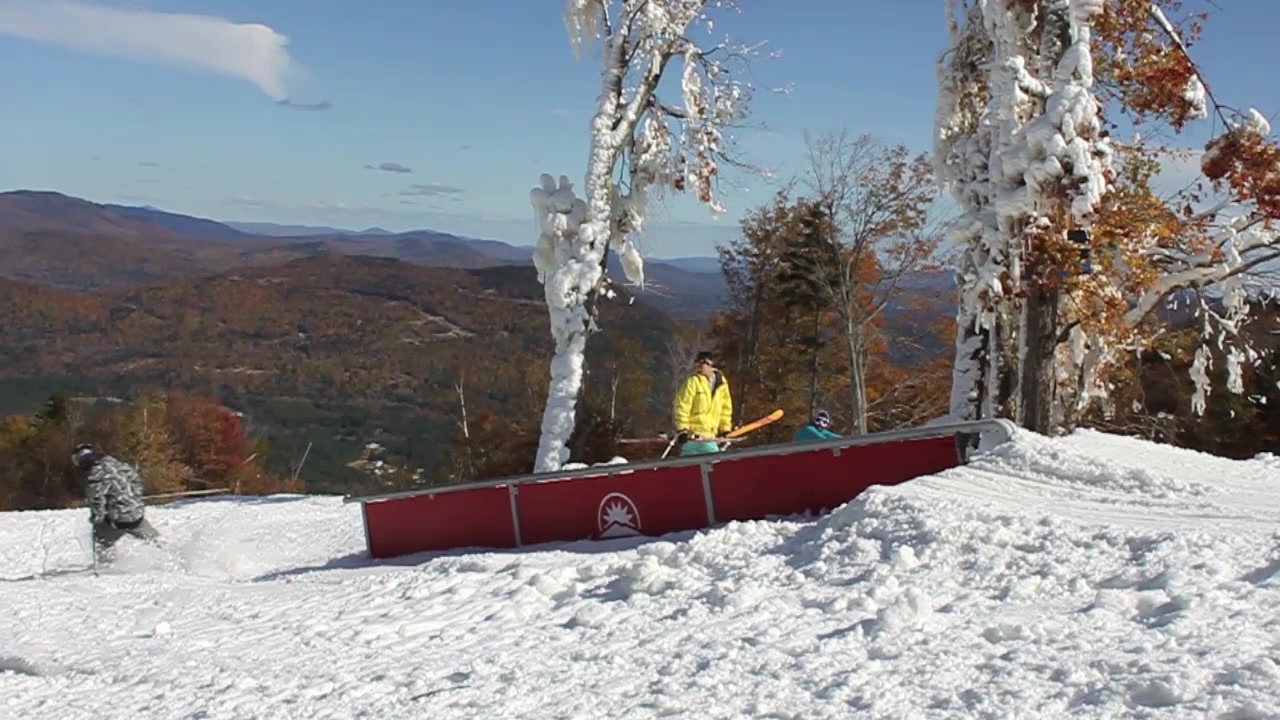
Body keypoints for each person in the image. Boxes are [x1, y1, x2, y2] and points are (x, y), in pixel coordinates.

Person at [72, 443, 159, 561]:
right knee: (152, 538)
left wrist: (96, 518)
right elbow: (136, 481)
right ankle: (168, 555)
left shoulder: (94, 476)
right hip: (136, 513)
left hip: (118, 520)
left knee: (101, 537)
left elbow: (97, 502)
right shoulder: (117, 464)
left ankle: (106, 562)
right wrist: (133, 499)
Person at [672, 351, 733, 455]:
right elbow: (682, 406)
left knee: (712, 462)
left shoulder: (721, 385)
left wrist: (725, 429)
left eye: (701, 364)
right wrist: (682, 429)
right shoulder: (693, 382)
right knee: (692, 462)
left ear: (709, 364)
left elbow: (725, 409)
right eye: (697, 364)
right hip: (694, 434)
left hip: (710, 435)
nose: (698, 367)